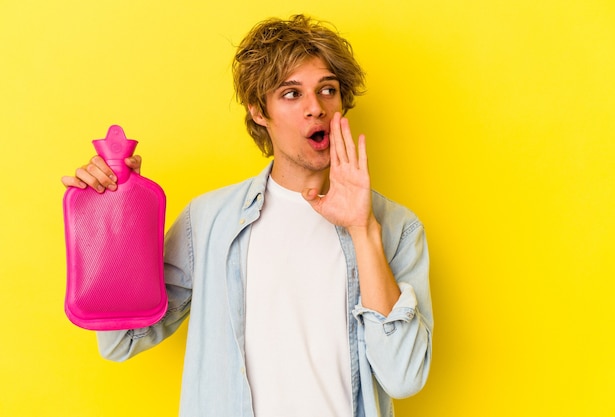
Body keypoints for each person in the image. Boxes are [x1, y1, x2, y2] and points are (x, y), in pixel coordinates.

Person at [62, 14, 433, 417]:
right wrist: (115, 213)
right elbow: (123, 341)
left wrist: (363, 230)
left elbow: (404, 376)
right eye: (291, 94)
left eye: (328, 90)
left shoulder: (395, 227)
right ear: (259, 111)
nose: (316, 108)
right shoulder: (207, 221)